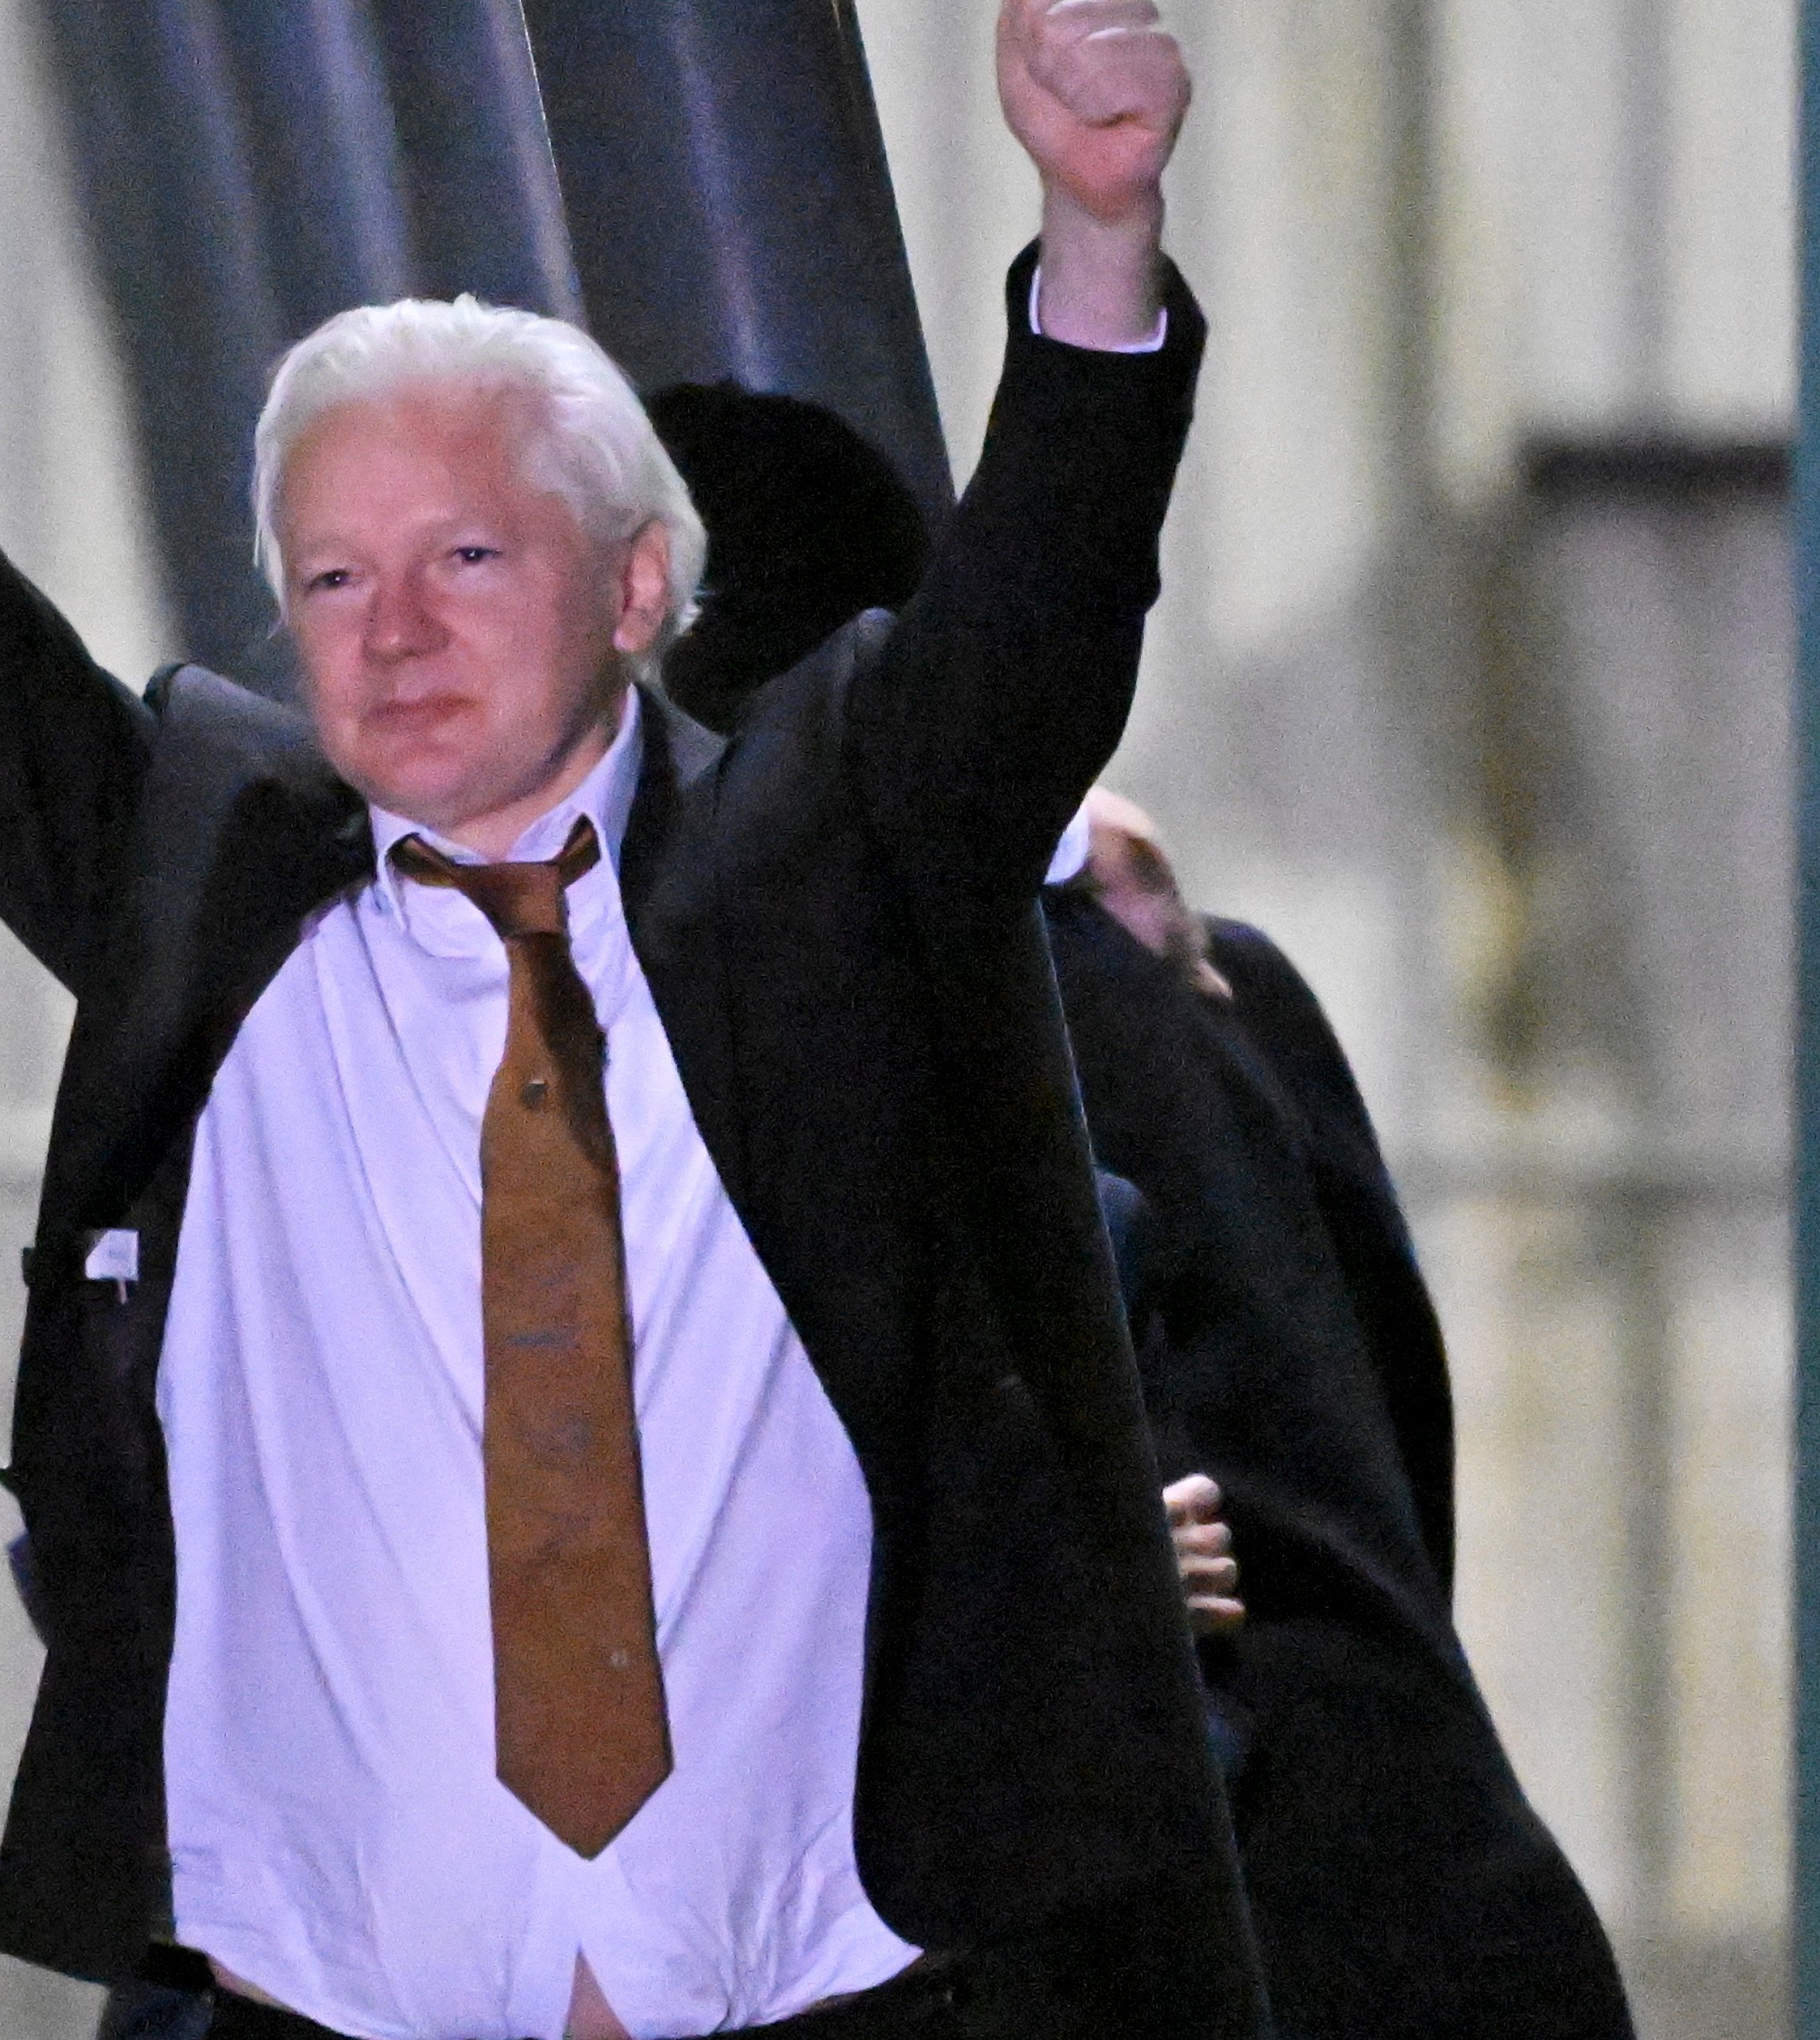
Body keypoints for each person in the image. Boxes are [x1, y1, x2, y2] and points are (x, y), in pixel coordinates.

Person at [0, 0, 1258, 2040]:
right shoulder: (203, 882)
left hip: (837, 1993)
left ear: (632, 586)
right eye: (326, 577)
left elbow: (1037, 620)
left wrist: (1094, 242)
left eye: (465, 556)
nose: (387, 630)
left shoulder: (819, 858)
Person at [647, 389, 1634, 2040]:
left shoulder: (803, 1053)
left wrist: (1058, 1564)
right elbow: (1386, 1454)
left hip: (1192, 1958)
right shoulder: (1218, 987)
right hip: (1453, 1909)